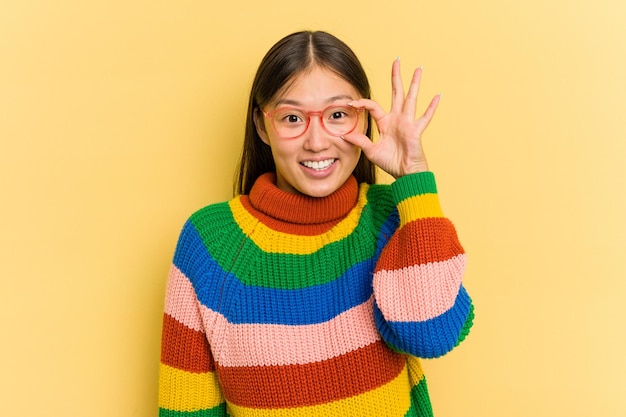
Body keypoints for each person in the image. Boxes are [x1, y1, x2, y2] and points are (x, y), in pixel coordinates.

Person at [158, 30, 474, 417]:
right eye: (292, 118)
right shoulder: (212, 243)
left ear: (363, 119)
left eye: (337, 115)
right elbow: (185, 407)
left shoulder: (389, 216)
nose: (317, 142)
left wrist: (413, 178)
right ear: (262, 125)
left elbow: (433, 333)